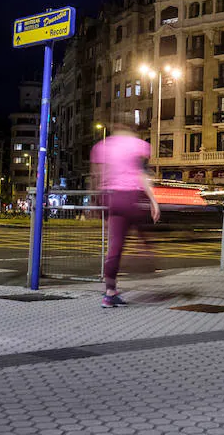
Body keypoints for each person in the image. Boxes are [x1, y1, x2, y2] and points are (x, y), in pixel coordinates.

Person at [90, 121, 160, 308]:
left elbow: (96, 175)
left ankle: (109, 293)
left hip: (111, 198)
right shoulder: (138, 145)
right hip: (130, 197)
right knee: (142, 220)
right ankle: (145, 250)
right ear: (132, 129)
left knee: (114, 247)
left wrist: (95, 199)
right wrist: (153, 201)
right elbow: (142, 174)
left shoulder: (103, 146)